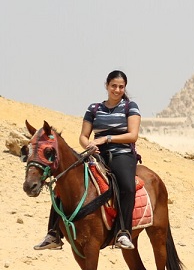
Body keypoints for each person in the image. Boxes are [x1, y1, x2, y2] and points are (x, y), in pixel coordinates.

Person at [36, 70, 141, 250]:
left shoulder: (130, 107)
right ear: (106, 86)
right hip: (96, 153)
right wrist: (89, 145)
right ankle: (53, 233)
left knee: (127, 186)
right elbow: (83, 136)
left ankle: (123, 232)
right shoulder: (94, 108)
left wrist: (106, 139)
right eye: (113, 86)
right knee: (64, 182)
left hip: (121, 154)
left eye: (121, 87)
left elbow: (133, 135)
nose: (117, 90)